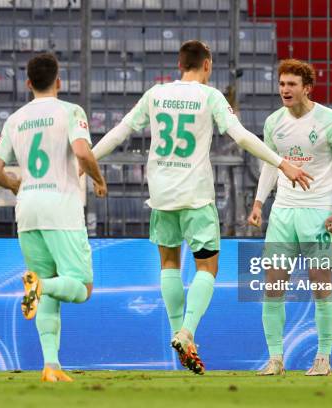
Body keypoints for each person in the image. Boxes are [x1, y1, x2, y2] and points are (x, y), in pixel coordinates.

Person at [92, 40, 313, 374]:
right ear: (207, 65)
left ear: (180, 64)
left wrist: (88, 160)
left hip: (162, 196)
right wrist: (282, 163)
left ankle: (179, 335)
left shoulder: (155, 94)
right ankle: (187, 331)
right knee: (207, 269)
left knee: (168, 265)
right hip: (195, 196)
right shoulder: (210, 97)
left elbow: (121, 131)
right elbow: (240, 137)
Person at [0, 53, 107, 382]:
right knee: (81, 288)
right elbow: (82, 152)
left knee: (47, 288)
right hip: (61, 208)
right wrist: (98, 179)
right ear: (59, 81)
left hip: (27, 209)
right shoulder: (70, 111)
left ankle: (51, 365)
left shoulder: (15, 119)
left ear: (28, 84)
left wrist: (13, 185)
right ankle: (40, 286)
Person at [247, 59, 332, 376]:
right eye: (282, 84)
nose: (285, 90)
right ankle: (276, 359)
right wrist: (258, 202)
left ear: (306, 88)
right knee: (272, 286)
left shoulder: (331, 121)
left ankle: (323, 357)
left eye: (292, 84)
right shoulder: (274, 122)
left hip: (319, 211)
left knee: (321, 286)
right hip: (283, 212)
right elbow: (271, 164)